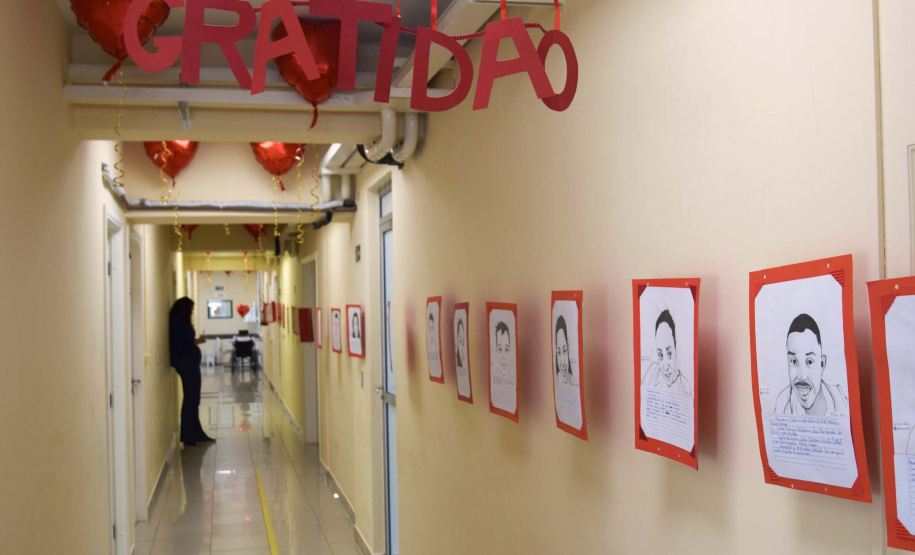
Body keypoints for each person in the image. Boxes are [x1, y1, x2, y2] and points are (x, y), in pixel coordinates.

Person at [774, 313, 848, 416]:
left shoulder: (843, 405)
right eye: (794, 361)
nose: (801, 376)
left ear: (822, 365)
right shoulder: (781, 407)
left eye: (809, 362)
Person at [169, 297, 215, 446]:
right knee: (190, 398)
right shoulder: (177, 324)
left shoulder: (181, 323)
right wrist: (198, 341)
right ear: (184, 309)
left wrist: (196, 342)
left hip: (190, 364)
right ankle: (189, 435)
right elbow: (183, 345)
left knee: (194, 399)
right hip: (186, 365)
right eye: (191, 309)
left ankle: (196, 433)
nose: (192, 311)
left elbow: (186, 342)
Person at [641, 310, 692, 396]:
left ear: (676, 350)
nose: (665, 367)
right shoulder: (653, 372)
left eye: (669, 353)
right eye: (660, 355)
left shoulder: (684, 386)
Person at [554, 315, 576, 386]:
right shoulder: (556, 381)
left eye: (564, 351)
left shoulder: (575, 383)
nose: (563, 363)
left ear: (568, 347)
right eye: (559, 352)